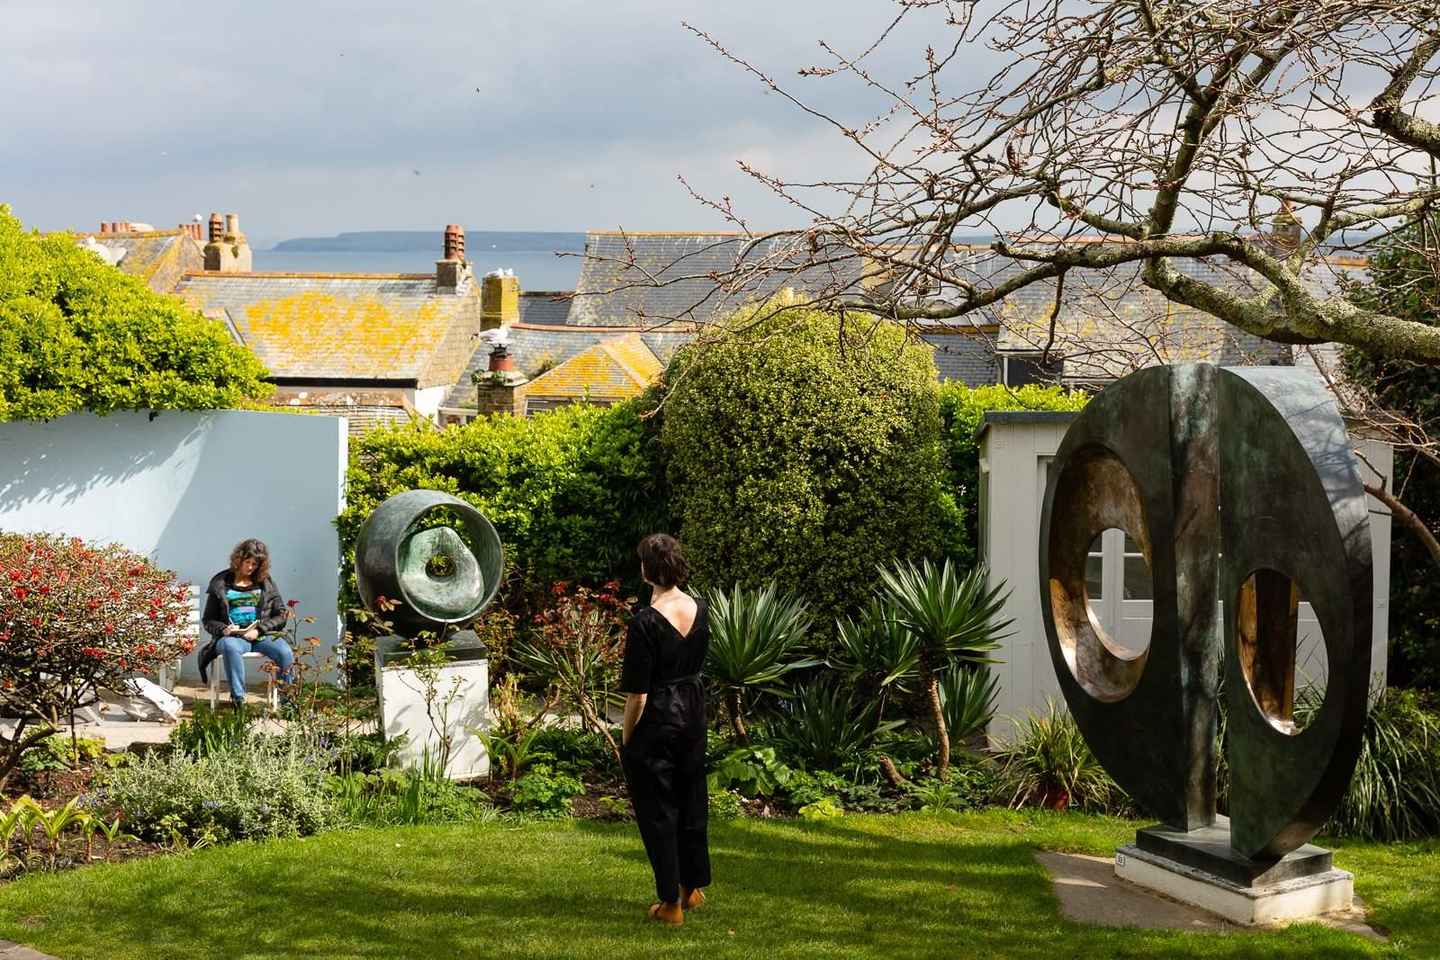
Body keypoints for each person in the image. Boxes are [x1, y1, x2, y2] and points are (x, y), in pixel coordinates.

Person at [620, 533, 711, 926]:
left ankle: (670, 904)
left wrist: (627, 739)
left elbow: (637, 695)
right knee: (692, 801)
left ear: (646, 570)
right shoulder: (701, 608)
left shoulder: (645, 621)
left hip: (658, 718)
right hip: (693, 713)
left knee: (659, 811)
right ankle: (692, 890)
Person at [198, 538, 294, 709]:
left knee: (284, 652)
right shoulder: (220, 583)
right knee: (229, 647)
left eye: (254, 564)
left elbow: (281, 615)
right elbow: (208, 619)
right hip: (233, 637)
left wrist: (259, 630)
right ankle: (239, 701)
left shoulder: (266, 583)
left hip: (261, 635)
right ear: (238, 559)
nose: (250, 567)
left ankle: (288, 703)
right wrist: (224, 629)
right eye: (247, 562)